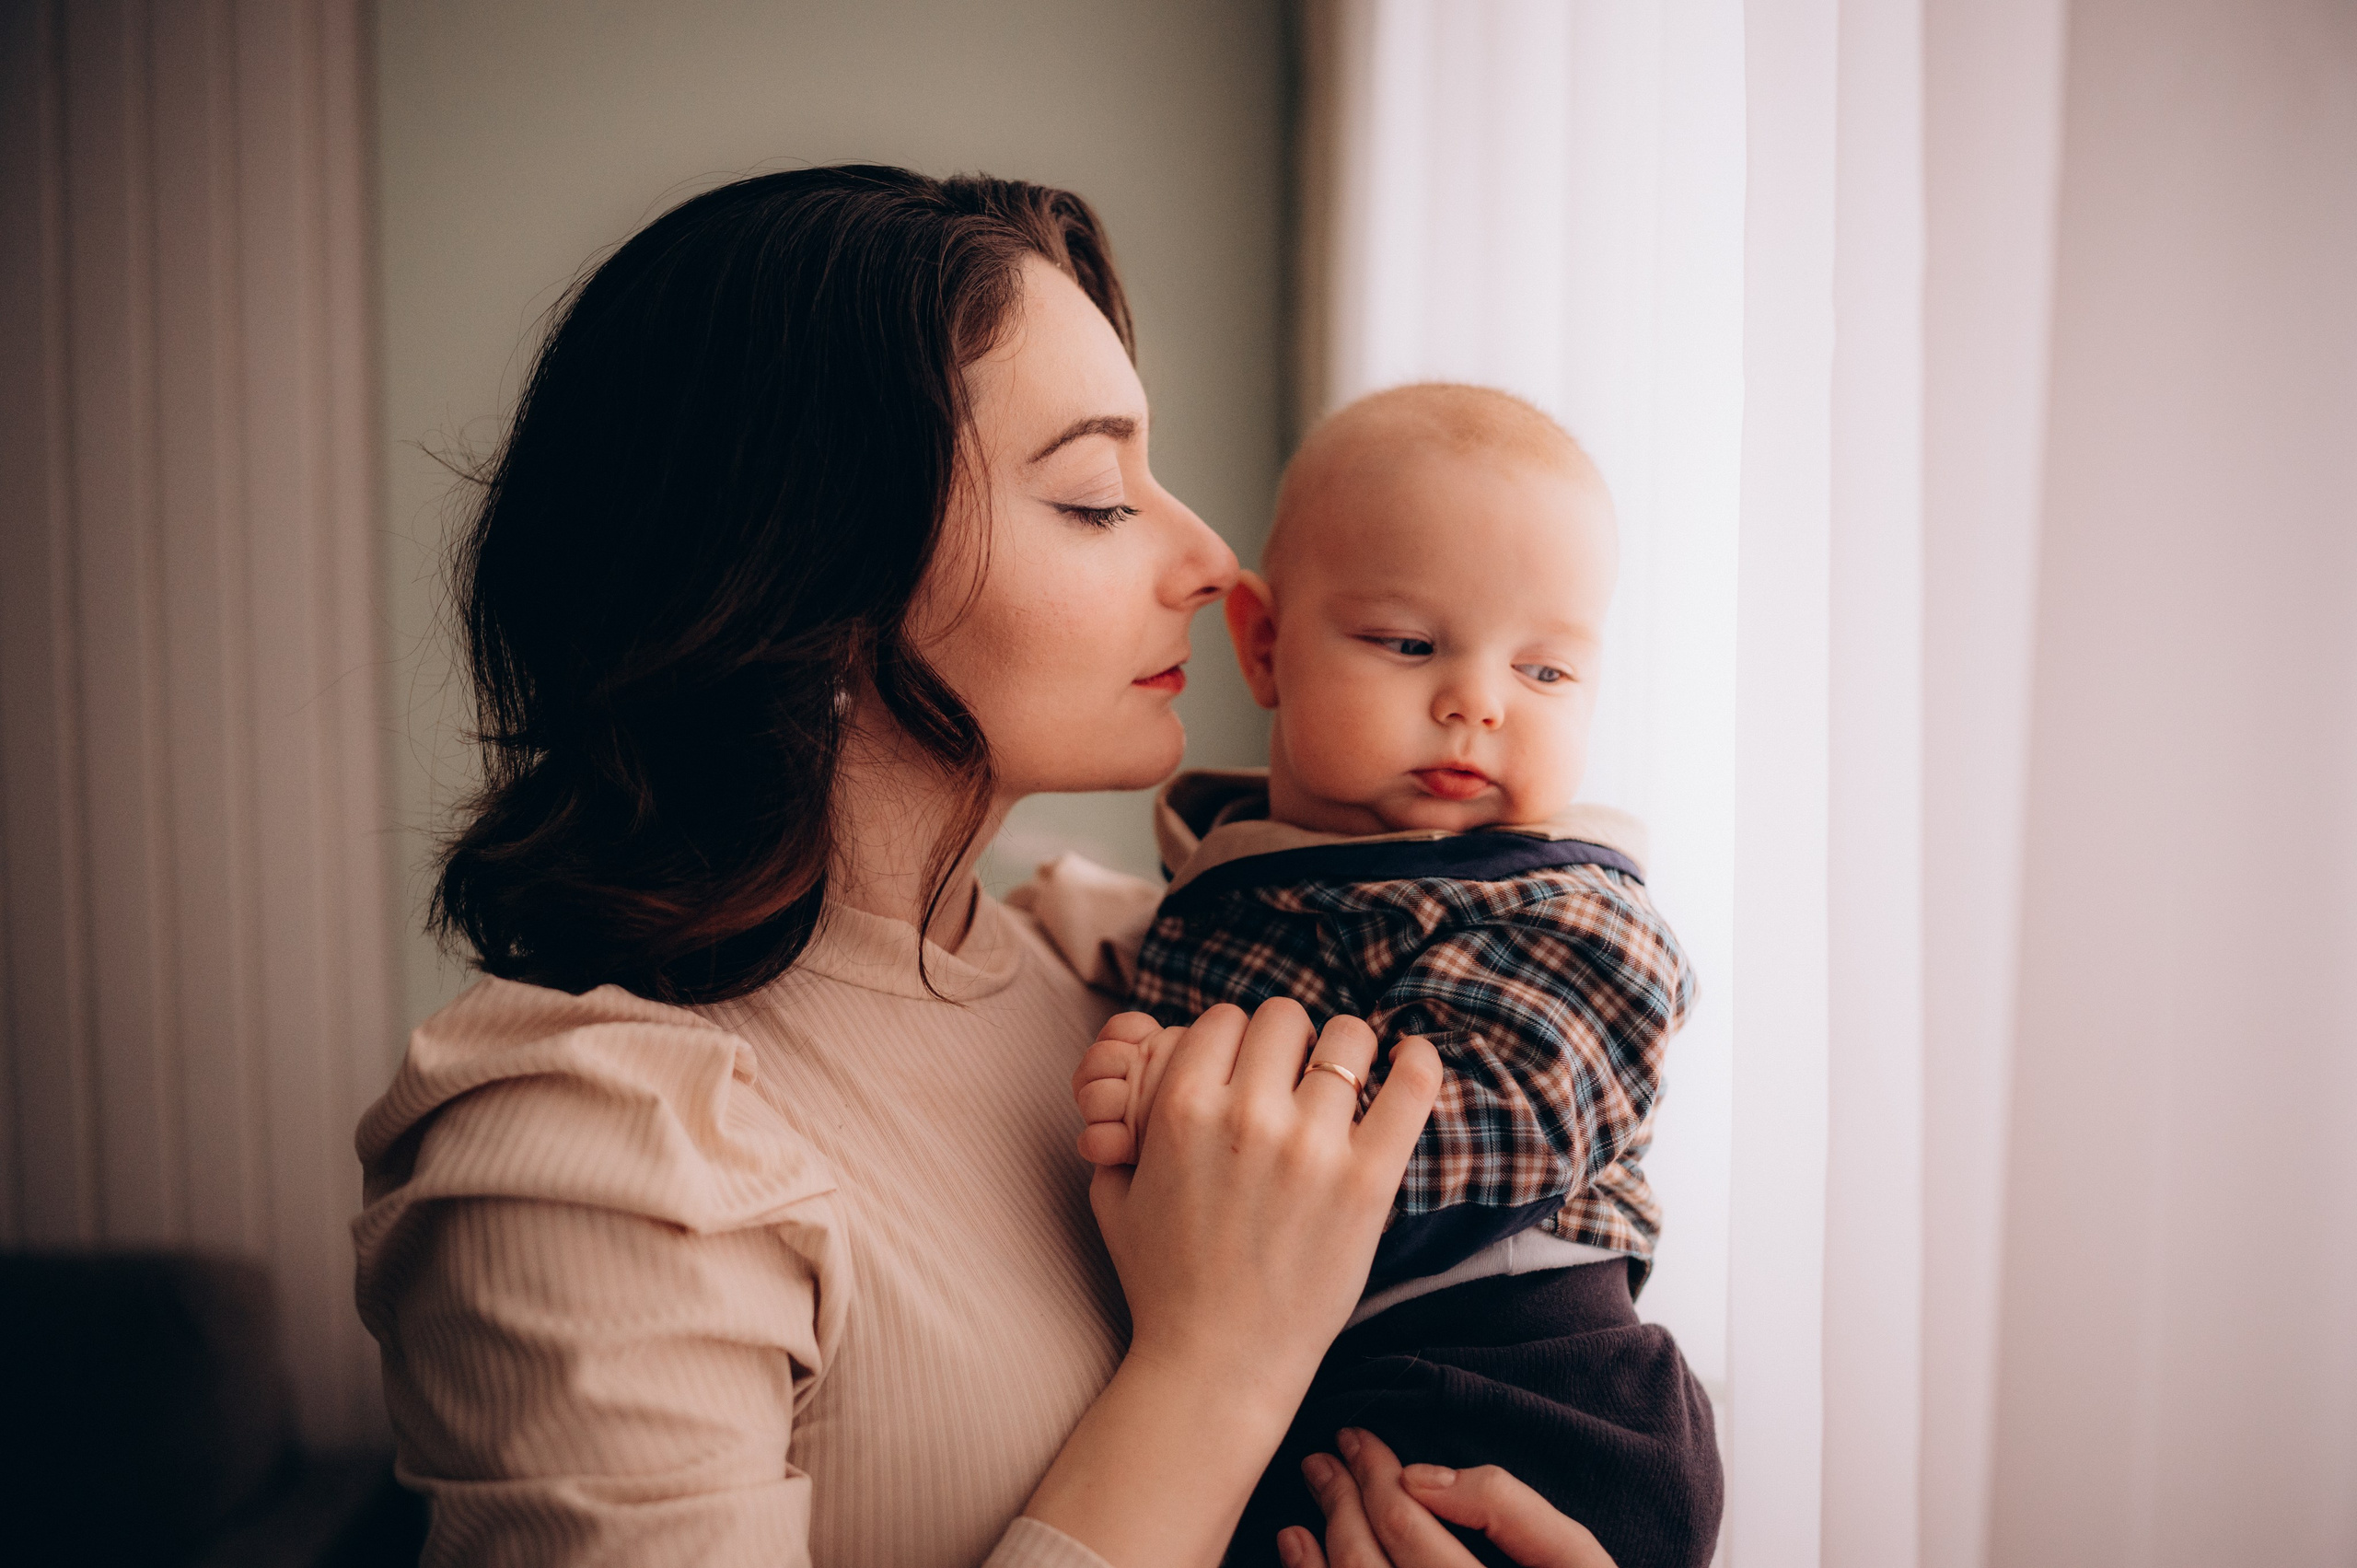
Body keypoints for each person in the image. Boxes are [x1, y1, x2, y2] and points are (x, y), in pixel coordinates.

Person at [349, 166, 1617, 1568]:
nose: (1208, 557)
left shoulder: (1132, 970)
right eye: (1093, 497)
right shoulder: (595, 1150)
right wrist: (1217, 1364)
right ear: (806, 573)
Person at [1061, 387, 1720, 1568]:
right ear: (1263, 644)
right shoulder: (1236, 868)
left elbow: (1482, 1129)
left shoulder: (1567, 911)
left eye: (1546, 672)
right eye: (1409, 643)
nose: (1478, 700)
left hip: (1531, 1387)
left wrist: (1186, 1111)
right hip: (1317, 1385)